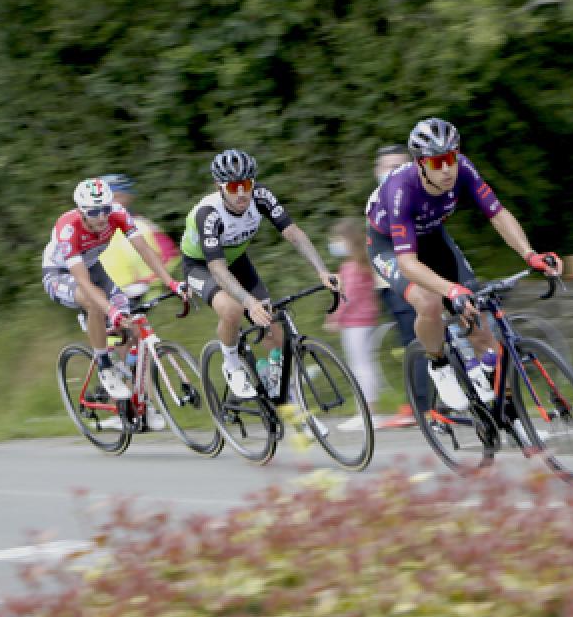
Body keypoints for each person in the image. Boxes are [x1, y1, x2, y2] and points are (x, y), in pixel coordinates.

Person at [365, 117, 562, 411]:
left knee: (479, 323)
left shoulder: (464, 170)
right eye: (436, 162)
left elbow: (497, 214)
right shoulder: (400, 190)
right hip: (390, 246)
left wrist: (530, 254)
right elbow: (407, 263)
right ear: (420, 164)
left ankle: (515, 419)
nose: (446, 169)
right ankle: (439, 364)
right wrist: (451, 290)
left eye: (450, 158)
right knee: (429, 302)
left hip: (432, 236)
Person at [180, 149, 338, 398]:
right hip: (202, 266)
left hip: (236, 259)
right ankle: (231, 365)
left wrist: (322, 270)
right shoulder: (208, 214)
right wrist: (247, 301)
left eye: (246, 184)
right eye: (233, 187)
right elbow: (217, 269)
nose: (242, 193)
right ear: (219, 187)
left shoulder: (261, 196)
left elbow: (293, 233)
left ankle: (281, 389)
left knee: (270, 321)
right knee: (233, 310)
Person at [42, 177, 187, 419]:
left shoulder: (117, 213)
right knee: (95, 303)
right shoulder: (68, 229)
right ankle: (105, 367)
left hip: (92, 266)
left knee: (130, 323)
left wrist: (171, 282)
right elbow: (85, 284)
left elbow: (145, 251)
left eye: (105, 209)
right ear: (81, 211)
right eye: (94, 212)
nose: (101, 216)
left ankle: (135, 398)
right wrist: (110, 311)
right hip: (61, 273)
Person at [367, 144, 420, 429]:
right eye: (387, 166)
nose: (392, 172)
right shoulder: (377, 199)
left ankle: (418, 406)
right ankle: (418, 404)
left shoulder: (412, 196)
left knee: (416, 342)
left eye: (399, 165)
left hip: (414, 282)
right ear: (377, 171)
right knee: (409, 343)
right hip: (390, 284)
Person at [325, 218, 381, 430]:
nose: (334, 244)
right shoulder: (362, 263)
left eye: (337, 239)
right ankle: (369, 411)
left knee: (360, 367)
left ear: (348, 240)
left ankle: (367, 413)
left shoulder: (352, 267)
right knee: (367, 364)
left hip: (355, 324)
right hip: (366, 321)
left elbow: (349, 296)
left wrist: (335, 317)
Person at [97, 173, 181, 303]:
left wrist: (150, 281)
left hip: (145, 296)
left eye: (118, 196)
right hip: (105, 296)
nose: (113, 201)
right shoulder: (92, 229)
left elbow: (171, 256)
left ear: (128, 197)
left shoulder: (143, 225)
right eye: (108, 197)